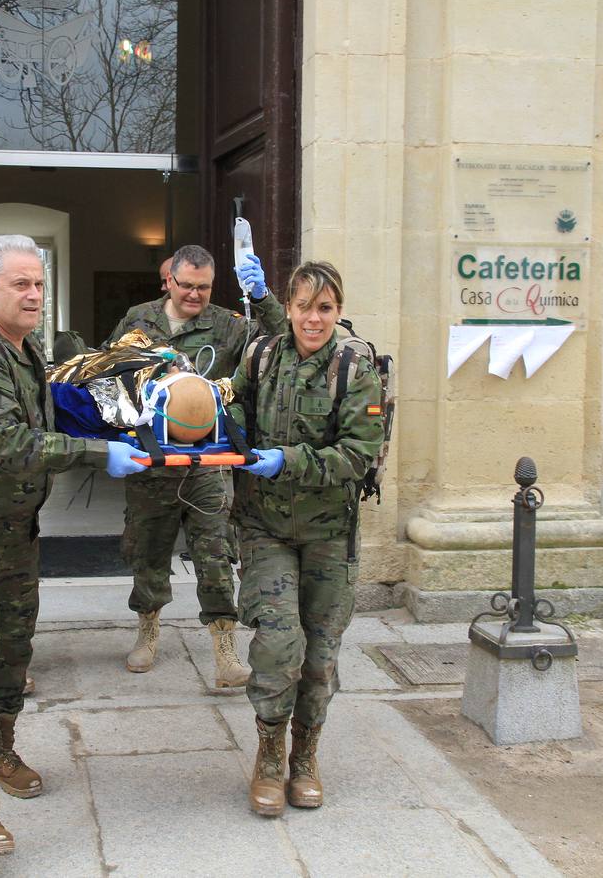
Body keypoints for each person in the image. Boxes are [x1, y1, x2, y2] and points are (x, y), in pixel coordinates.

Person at [0, 233, 145, 861]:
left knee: (14, 651)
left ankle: (2, 749)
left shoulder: (22, 347)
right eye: (21, 284)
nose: (35, 293)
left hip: (13, 528)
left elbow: (46, 418)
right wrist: (102, 454)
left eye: (39, 283)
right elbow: (13, 445)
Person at [227, 261, 383, 816]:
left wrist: (287, 460)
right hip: (266, 529)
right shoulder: (262, 357)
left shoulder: (355, 372)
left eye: (325, 308)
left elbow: (359, 455)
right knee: (277, 645)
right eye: (303, 306)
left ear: (338, 311)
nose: (312, 318)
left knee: (319, 658)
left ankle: (305, 758)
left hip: (328, 537)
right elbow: (232, 413)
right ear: (287, 308)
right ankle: (268, 756)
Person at [101, 244, 285, 686]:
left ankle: (225, 649)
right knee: (148, 549)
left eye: (203, 287)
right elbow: (107, 369)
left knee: (216, 551)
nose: (194, 295)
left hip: (209, 459)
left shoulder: (228, 324)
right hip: (153, 459)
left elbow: (280, 342)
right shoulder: (139, 319)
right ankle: (147, 633)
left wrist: (262, 298)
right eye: (186, 285)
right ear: (169, 280)